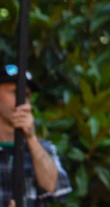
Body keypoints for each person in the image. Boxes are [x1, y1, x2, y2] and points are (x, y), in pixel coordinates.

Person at [0, 64, 72, 206]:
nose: (22, 101)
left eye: (26, 95)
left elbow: (57, 191)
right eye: (15, 92)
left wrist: (31, 138)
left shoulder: (42, 147)